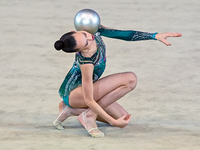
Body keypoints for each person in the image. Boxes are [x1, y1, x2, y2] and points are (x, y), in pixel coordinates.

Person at [53, 25, 182, 138]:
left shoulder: (93, 31)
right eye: (86, 43)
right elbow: (89, 100)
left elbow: (123, 34)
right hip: (75, 94)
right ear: (78, 50)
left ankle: (71, 111)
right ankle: (88, 116)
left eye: (85, 34)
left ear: (76, 30)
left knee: (122, 116)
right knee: (130, 79)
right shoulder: (86, 62)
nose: (90, 38)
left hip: (87, 91)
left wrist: (155, 36)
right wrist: (112, 122)